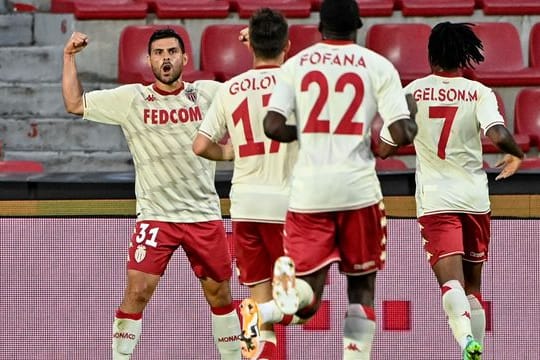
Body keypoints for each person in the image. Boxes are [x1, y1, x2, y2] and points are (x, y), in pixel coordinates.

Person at [62, 28, 242, 359]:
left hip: (204, 214)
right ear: (149, 61)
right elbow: (74, 104)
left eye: (172, 52)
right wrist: (69, 56)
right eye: (158, 53)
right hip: (156, 216)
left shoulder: (209, 93)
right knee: (137, 291)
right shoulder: (133, 98)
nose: (166, 58)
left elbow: (251, 99)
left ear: (185, 58)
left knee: (220, 295)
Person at [258, 0, 418, 358]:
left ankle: (284, 298)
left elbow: (271, 126)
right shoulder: (378, 66)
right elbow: (401, 132)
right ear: (357, 27)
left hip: (309, 192)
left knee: (307, 302)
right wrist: (412, 117)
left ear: (320, 27)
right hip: (357, 190)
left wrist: (308, 133)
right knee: (361, 290)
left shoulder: (296, 65)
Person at [403, 22, 524, 360]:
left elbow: (390, 139)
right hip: (474, 199)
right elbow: (498, 134)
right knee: (474, 288)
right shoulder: (479, 92)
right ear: (464, 57)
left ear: (431, 55)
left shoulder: (412, 91)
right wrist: (516, 152)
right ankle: (476, 352)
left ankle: (465, 341)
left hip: (436, 199)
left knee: (450, 283)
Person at [192, 8, 299, 359]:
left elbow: (200, 145)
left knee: (257, 301)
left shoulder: (229, 89)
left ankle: (260, 317)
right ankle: (279, 305)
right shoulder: (300, 84)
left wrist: (232, 154)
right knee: (296, 307)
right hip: (289, 206)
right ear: (288, 43)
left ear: (250, 44)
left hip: (246, 206)